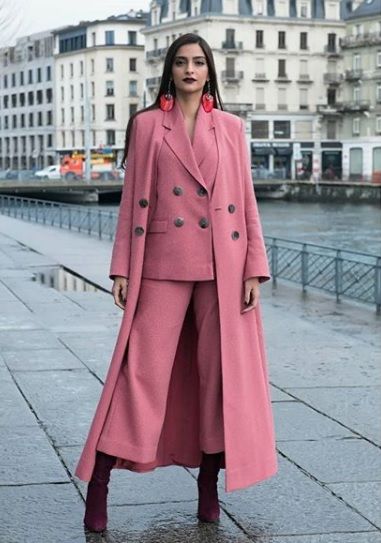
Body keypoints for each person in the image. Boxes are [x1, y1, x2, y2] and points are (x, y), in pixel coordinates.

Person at [75, 32, 278, 534]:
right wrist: (122, 267)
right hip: (163, 261)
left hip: (221, 267)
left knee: (218, 378)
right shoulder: (146, 126)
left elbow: (246, 203)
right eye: (182, 62)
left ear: (210, 72)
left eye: (199, 62)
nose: (190, 70)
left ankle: (207, 485)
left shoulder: (230, 127)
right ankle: (100, 481)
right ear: (170, 70)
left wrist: (255, 266)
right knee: (138, 373)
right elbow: (131, 203)